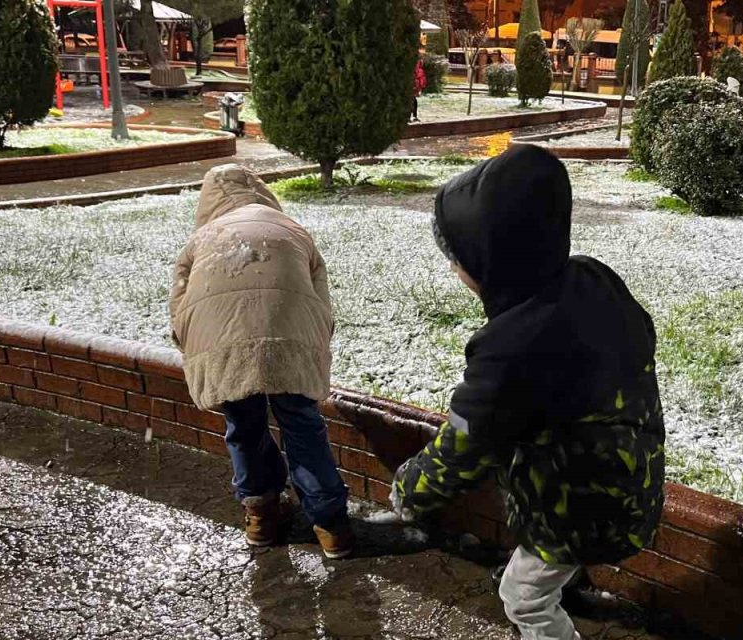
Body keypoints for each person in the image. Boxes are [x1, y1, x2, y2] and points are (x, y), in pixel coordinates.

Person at [390, 146, 666, 640]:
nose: (456, 270)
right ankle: (571, 581)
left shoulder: (510, 348)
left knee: (523, 596)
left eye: (460, 259)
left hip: (578, 510)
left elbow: (467, 442)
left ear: (493, 258)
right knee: (549, 568)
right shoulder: (591, 278)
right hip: (629, 478)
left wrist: (411, 490)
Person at [169, 164, 353, 559]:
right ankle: (331, 526)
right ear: (263, 193)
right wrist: (316, 343)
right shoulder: (293, 231)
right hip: (290, 338)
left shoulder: (202, 239)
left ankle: (261, 516)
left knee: (243, 423)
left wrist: (193, 348)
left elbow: (179, 306)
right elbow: (321, 300)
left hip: (222, 343)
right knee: (302, 423)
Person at [412, 56, 427, 123]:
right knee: (413, 101)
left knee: (412, 100)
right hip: (415, 85)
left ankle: (413, 116)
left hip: (414, 85)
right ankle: (414, 116)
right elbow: (422, 79)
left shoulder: (418, 70)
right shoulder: (420, 70)